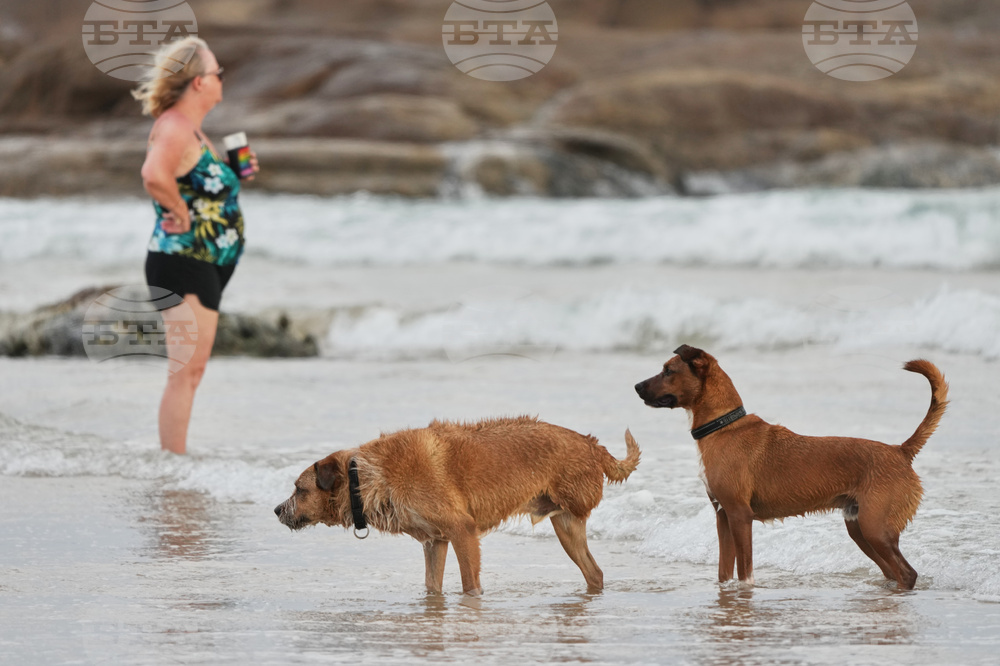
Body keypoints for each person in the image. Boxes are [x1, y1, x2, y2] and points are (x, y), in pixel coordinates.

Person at [132, 37, 258, 454]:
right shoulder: (172, 126)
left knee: (192, 369)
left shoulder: (191, 130)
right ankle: (174, 468)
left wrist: (233, 171)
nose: (223, 80)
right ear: (200, 82)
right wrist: (178, 211)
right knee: (186, 371)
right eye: (218, 73)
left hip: (202, 262)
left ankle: (175, 461)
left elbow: (195, 183)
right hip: (182, 261)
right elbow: (153, 175)